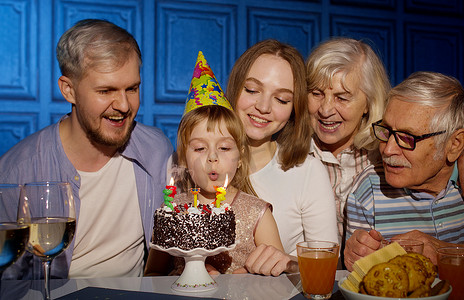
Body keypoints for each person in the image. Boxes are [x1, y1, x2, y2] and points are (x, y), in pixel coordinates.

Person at [0, 19, 173, 279]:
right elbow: (8, 279)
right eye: (106, 90)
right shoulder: (17, 172)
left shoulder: (156, 149)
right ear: (68, 90)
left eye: (132, 88)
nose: (124, 105)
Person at [306, 37, 464, 244]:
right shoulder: (289, 151)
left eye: (342, 98)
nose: (325, 110)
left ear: (369, 103)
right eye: (316, 93)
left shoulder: (383, 146)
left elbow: (430, 124)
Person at [344, 71, 464, 278]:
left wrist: (447, 255)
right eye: (386, 131)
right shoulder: (367, 190)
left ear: (454, 144)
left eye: (407, 138)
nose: (388, 150)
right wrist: (356, 256)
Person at [145, 52, 293, 276]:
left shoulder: (257, 213)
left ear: (241, 156)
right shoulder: (172, 213)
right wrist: (171, 281)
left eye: (224, 148)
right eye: (199, 148)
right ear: (184, 157)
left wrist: (249, 280)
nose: (212, 158)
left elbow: (279, 275)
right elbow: (151, 275)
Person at [225, 39, 338, 256]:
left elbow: (326, 263)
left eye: (282, 99)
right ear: (235, 87)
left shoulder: (307, 172)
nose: (263, 107)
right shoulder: (188, 162)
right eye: (251, 90)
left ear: (294, 109)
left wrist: (284, 264)